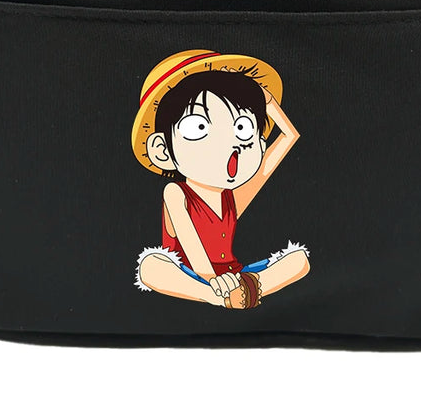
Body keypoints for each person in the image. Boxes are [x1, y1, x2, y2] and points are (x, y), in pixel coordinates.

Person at [131, 50, 310, 309]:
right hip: (193, 278)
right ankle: (223, 297)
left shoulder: (232, 198)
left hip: (236, 277)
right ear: (163, 150)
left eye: (242, 128)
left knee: (299, 260)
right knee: (151, 266)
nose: (228, 144)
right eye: (199, 127)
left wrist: (268, 102)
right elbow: (191, 245)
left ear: (260, 145)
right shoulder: (175, 192)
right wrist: (212, 282)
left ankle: (248, 287)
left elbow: (289, 136)